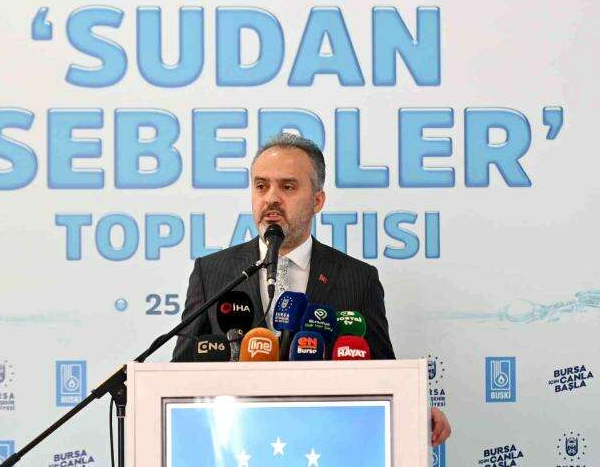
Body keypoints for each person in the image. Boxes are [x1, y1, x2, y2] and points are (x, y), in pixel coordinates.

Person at [172, 133, 451, 446]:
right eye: (261, 186)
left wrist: (413, 411)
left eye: (287, 187)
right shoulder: (212, 273)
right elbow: (180, 372)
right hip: (234, 445)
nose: (271, 198)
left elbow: (383, 373)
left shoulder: (357, 279)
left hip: (323, 443)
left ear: (317, 200)